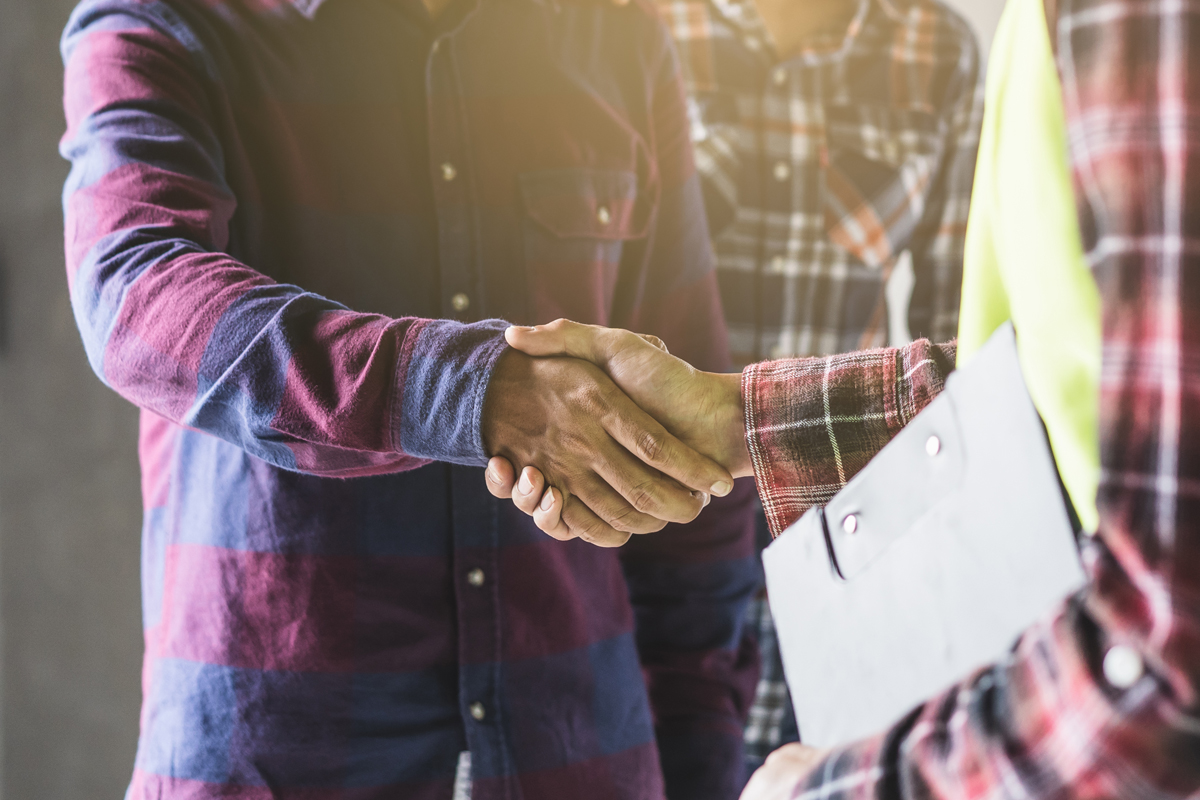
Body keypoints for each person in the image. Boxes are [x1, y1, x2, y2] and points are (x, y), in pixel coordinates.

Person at [489, 0, 1200, 792]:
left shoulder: (997, 42)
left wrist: (835, 790)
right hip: (658, 529)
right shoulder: (633, 31)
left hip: (861, 545)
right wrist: (739, 418)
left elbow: (1164, 660)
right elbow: (1045, 367)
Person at [58, 0, 761, 796]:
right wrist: (477, 390)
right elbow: (135, 287)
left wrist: (705, 757)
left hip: (583, 755)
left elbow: (691, 447)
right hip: (278, 755)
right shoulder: (165, 19)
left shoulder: (619, 39)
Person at [655, 0, 984, 770]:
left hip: (834, 537)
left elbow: (963, 344)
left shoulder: (936, 50)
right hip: (646, 529)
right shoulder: (639, 24)